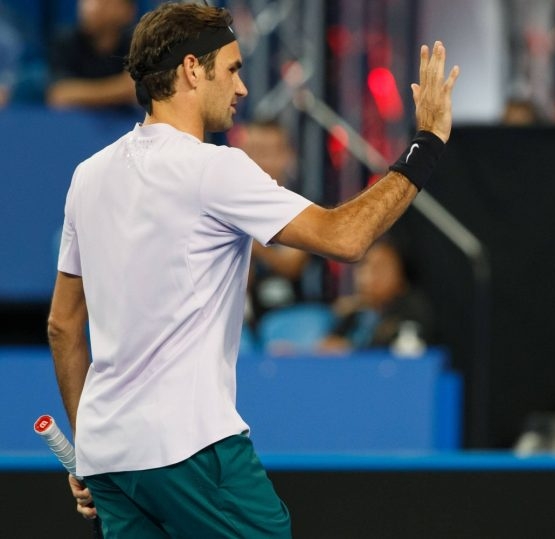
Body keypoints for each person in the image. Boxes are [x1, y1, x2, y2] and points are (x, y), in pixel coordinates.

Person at [46, 2, 458, 537]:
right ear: (193, 69)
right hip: (192, 449)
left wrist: (91, 451)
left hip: (111, 461)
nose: (242, 89)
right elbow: (345, 238)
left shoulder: (88, 176)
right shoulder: (213, 169)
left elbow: (62, 326)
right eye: (234, 69)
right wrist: (426, 145)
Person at [233, 119, 314, 326]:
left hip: (291, 316)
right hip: (235, 315)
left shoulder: (305, 207)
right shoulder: (225, 203)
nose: (259, 161)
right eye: (252, 151)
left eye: (268, 152)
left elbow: (291, 264)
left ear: (288, 157)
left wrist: (246, 237)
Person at [319, 236, 434, 353]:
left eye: (379, 268)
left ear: (400, 271)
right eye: (363, 266)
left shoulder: (412, 308)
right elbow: (328, 346)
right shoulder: (355, 313)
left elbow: (403, 350)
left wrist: (353, 351)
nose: (367, 277)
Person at [46, 0, 137, 108]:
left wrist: (82, 93)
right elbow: (59, 94)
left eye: (104, 2)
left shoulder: (137, 43)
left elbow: (140, 92)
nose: (90, 8)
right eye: (86, 1)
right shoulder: (65, 41)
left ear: (127, 11)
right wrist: (121, 89)